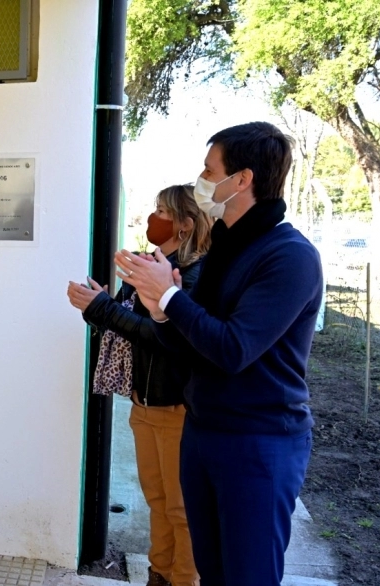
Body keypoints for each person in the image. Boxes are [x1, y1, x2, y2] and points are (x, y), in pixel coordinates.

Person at [115, 122, 323, 586]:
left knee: (247, 574)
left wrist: (170, 300)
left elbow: (233, 350)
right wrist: (160, 309)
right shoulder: (224, 250)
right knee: (211, 570)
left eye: (210, 170)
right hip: (204, 430)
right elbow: (189, 347)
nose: (201, 180)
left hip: (259, 442)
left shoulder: (289, 257)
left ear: (242, 179)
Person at [68, 185, 211, 586]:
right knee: (158, 502)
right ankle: (159, 573)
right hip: (143, 403)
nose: (154, 217)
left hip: (177, 406)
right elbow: (126, 324)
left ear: (185, 223)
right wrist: (98, 305)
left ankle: (184, 578)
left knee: (182, 509)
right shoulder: (149, 264)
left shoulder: (197, 273)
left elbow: (169, 337)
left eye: (163, 210)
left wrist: (105, 310)